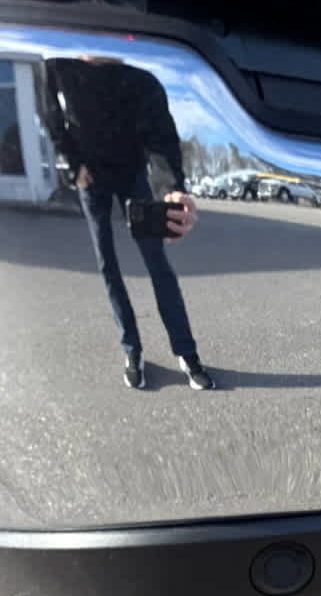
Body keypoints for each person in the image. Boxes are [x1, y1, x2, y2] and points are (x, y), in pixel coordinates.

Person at [41, 56, 216, 390]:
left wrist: (171, 188)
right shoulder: (58, 63)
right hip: (91, 178)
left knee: (157, 263)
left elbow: (161, 137)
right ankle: (132, 351)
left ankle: (187, 352)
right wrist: (74, 164)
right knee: (108, 264)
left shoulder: (138, 71)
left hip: (133, 175)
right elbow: (48, 111)